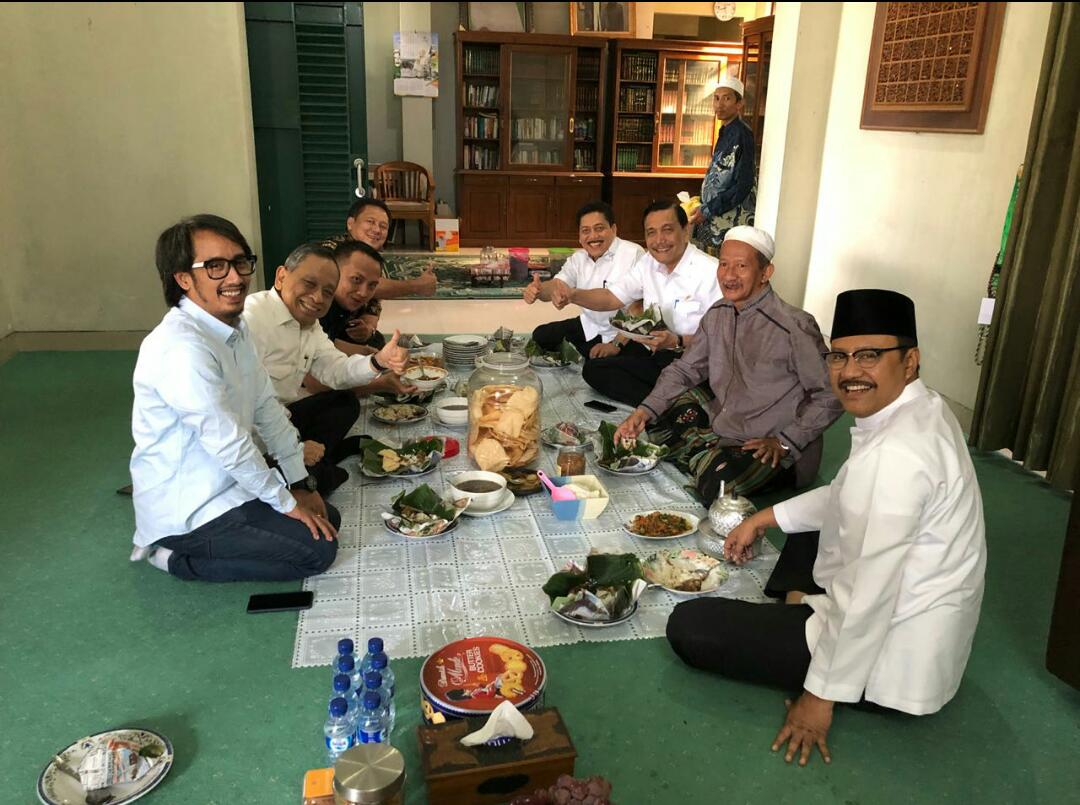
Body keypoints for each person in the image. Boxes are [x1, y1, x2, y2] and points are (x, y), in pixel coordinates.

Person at [666, 289, 987, 766]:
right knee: (802, 522)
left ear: (910, 360)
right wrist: (762, 517)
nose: (851, 372)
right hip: (913, 603)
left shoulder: (898, 458)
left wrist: (819, 698)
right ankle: (800, 599)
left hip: (892, 646)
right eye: (839, 356)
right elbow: (847, 494)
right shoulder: (922, 409)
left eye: (870, 356)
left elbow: (870, 595)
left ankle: (806, 613)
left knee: (691, 627)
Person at [129, 214, 338, 582]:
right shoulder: (181, 348)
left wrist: (300, 483)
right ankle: (173, 556)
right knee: (317, 552)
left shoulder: (234, 329)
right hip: (190, 506)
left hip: (229, 484)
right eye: (215, 266)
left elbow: (266, 410)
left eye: (240, 263)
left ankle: (263, 517)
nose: (235, 277)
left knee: (327, 519)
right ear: (183, 278)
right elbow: (229, 444)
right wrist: (287, 502)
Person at [614, 226, 841, 502]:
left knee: (718, 485)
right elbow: (686, 370)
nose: (729, 275)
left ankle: (702, 455)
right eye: (723, 264)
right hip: (725, 426)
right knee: (664, 410)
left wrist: (786, 441)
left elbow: (831, 394)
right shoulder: (718, 313)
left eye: (741, 266)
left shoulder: (794, 326)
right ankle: (704, 452)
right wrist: (643, 413)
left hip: (769, 445)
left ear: (766, 273)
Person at [243, 242, 409, 496]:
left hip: (281, 417)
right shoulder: (253, 318)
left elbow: (336, 369)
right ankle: (309, 470)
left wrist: (378, 362)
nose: (318, 298)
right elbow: (248, 407)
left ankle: (316, 464)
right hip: (251, 441)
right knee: (326, 519)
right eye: (309, 284)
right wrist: (295, 448)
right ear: (281, 276)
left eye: (328, 292)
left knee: (344, 401)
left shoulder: (308, 323)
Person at [552, 199, 721, 407]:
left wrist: (677, 341)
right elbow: (611, 297)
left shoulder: (711, 272)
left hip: (695, 365)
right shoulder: (649, 262)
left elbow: (725, 339)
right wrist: (573, 294)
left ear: (686, 231)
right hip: (657, 356)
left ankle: (676, 405)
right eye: (651, 232)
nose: (660, 240)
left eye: (667, 230)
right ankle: (675, 405)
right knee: (595, 369)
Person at [524, 201, 644, 360]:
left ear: (613, 229)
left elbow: (640, 306)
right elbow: (558, 285)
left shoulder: (633, 254)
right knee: (541, 334)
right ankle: (588, 352)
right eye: (585, 231)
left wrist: (616, 344)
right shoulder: (578, 258)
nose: (593, 236)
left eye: (599, 228)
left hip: (624, 333)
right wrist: (538, 290)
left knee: (600, 371)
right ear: (580, 236)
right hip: (589, 325)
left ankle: (596, 356)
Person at [688, 75, 756, 255]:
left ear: (739, 103)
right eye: (716, 98)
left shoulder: (743, 134)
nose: (720, 104)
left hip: (726, 219)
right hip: (712, 214)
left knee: (720, 267)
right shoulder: (725, 130)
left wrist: (710, 208)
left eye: (727, 98)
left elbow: (743, 183)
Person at [320, 240, 387, 356]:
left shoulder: (345, 303)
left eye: (372, 285)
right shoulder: (316, 303)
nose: (363, 293)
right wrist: (368, 355)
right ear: (333, 271)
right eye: (356, 279)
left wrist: (367, 333)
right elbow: (311, 347)